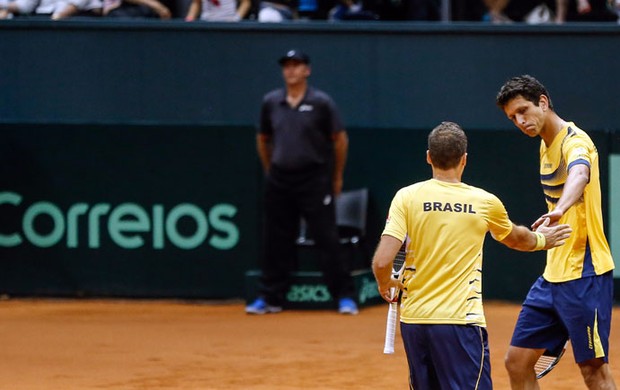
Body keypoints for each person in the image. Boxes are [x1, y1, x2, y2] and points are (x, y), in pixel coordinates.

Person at [372, 121, 572, 389]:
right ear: (464, 160)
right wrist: (542, 240)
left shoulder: (405, 197)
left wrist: (386, 283)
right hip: (461, 324)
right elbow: (516, 239)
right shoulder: (485, 202)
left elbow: (383, 261)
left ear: (429, 157)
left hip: (414, 323)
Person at [496, 75, 616, 389]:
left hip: (585, 275)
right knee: (517, 362)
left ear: (544, 102)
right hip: (552, 277)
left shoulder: (577, 140)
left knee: (593, 370)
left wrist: (560, 208)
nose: (520, 121)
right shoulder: (544, 146)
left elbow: (579, 174)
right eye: (513, 118)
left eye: (523, 110)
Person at [246, 49, 358, 316]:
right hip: (280, 180)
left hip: (314, 179)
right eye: (287, 66)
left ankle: (345, 296)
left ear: (307, 70)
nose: (291, 70)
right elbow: (263, 139)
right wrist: (271, 170)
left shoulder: (321, 103)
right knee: (275, 239)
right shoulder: (271, 102)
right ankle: (270, 297)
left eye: (297, 65)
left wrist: (336, 176)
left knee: (327, 238)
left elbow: (340, 140)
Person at [184, 0, 250, 21]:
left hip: (229, 24)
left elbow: (245, 3)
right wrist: (189, 19)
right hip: (206, 24)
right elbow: (196, 3)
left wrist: (236, 18)